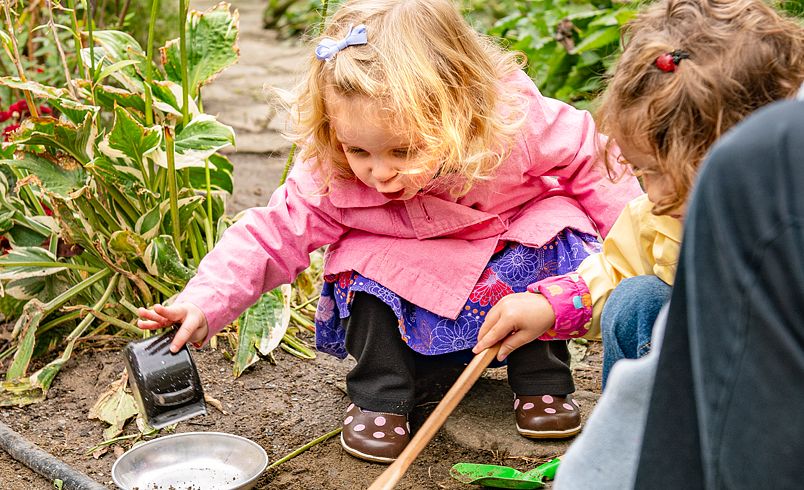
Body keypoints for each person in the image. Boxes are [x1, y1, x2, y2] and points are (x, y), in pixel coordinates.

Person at [137, 0, 641, 464]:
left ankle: (542, 379)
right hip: (407, 273)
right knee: (358, 269)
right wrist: (206, 301)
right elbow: (273, 231)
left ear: (460, 113)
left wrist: (631, 243)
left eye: (403, 151)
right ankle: (382, 394)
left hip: (504, 254)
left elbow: (592, 158)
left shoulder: (515, 125)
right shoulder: (333, 172)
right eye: (359, 151)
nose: (379, 173)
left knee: (557, 231)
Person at [473, 0, 804, 389]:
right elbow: (616, 271)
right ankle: (644, 437)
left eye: (682, 174)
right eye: (647, 173)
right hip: (711, 384)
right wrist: (549, 306)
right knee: (636, 300)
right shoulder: (658, 216)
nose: (659, 195)